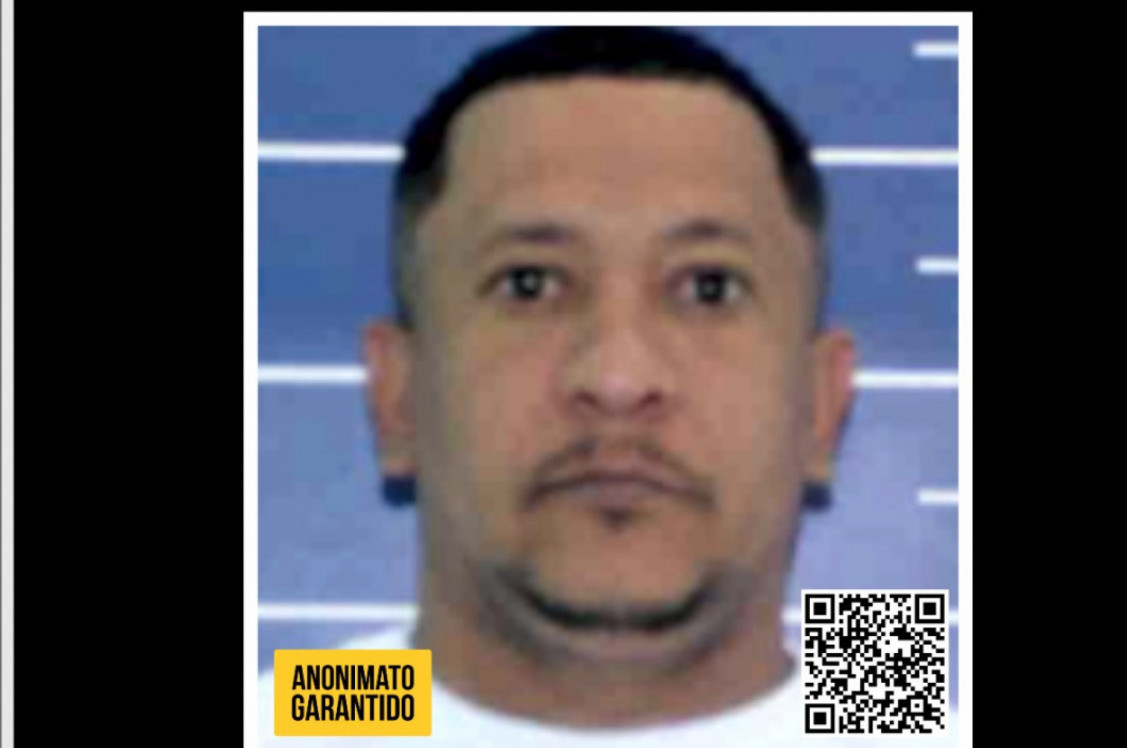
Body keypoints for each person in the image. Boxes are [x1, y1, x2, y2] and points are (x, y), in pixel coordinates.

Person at [259, 26, 957, 745]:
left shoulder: (898, 725)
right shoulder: (303, 719)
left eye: (709, 287)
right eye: (529, 284)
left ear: (821, 408)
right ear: (397, 397)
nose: (619, 377)